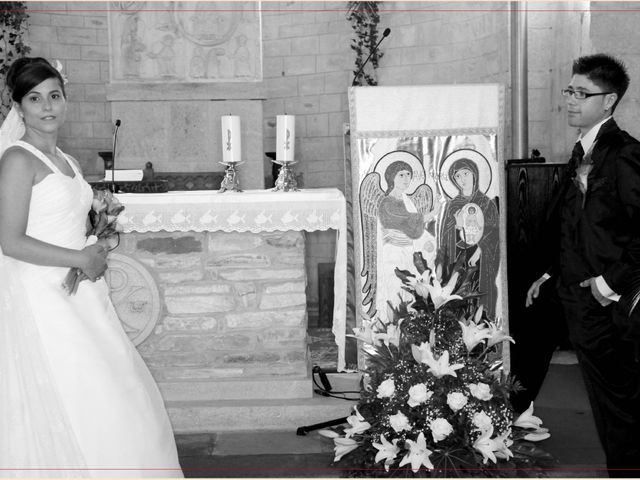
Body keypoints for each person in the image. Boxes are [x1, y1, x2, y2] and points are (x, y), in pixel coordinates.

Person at [0, 57, 182, 476]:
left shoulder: (67, 160)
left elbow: (67, 223)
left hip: (79, 291)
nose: (47, 107)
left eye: (54, 96)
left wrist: (94, 242)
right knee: (78, 391)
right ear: (19, 106)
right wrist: (81, 256)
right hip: (41, 299)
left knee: (114, 391)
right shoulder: (17, 160)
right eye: (34, 98)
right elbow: (9, 241)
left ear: (65, 100)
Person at [526, 53, 640, 477]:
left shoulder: (625, 155)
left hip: (607, 305)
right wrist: (551, 272)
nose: (571, 100)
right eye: (569, 91)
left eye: (582, 93)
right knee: (607, 402)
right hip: (574, 294)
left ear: (608, 101)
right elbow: (577, 224)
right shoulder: (582, 151)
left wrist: (608, 285)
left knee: (620, 406)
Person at [437, 157, 499, 318]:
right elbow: (446, 238)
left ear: (474, 174)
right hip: (458, 257)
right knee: (458, 297)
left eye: (465, 173)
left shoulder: (487, 204)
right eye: (457, 176)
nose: (462, 179)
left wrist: (479, 251)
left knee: (477, 295)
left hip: (480, 260)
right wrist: (458, 226)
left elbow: (493, 234)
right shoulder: (453, 204)